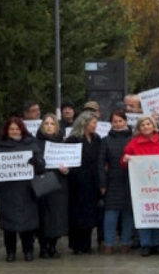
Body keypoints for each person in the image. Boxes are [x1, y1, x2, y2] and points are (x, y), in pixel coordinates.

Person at [0, 117, 43, 262]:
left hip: (27, 189)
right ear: (7, 131)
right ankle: (10, 252)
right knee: (9, 224)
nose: (14, 131)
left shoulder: (31, 144)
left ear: (22, 130)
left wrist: (36, 162)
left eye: (17, 129)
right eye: (11, 129)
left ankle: (28, 250)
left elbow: (41, 167)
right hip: (7, 190)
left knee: (28, 223)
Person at [122, 116, 159, 256]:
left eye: (148, 123)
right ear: (138, 128)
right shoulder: (133, 143)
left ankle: (158, 241)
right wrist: (126, 160)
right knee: (145, 212)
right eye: (142, 124)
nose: (146, 126)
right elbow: (124, 162)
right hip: (142, 185)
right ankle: (146, 243)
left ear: (153, 125)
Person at [98, 110, 135, 254]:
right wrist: (102, 184)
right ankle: (109, 243)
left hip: (130, 179)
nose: (118, 124)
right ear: (111, 123)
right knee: (110, 213)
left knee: (128, 213)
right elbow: (100, 164)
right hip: (112, 180)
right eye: (115, 121)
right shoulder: (105, 140)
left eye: (120, 121)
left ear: (125, 121)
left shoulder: (133, 139)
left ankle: (126, 242)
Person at [66, 111, 101, 254]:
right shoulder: (73, 139)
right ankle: (76, 245)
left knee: (89, 213)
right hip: (77, 180)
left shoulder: (96, 138)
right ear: (85, 123)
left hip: (92, 181)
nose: (95, 125)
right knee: (77, 214)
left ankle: (86, 244)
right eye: (93, 123)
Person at [35, 114, 69, 258]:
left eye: (52, 123)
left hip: (59, 184)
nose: (49, 126)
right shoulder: (35, 143)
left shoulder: (63, 143)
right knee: (43, 216)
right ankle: (43, 246)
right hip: (42, 183)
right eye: (46, 123)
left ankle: (53, 246)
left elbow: (70, 162)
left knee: (57, 216)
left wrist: (66, 170)